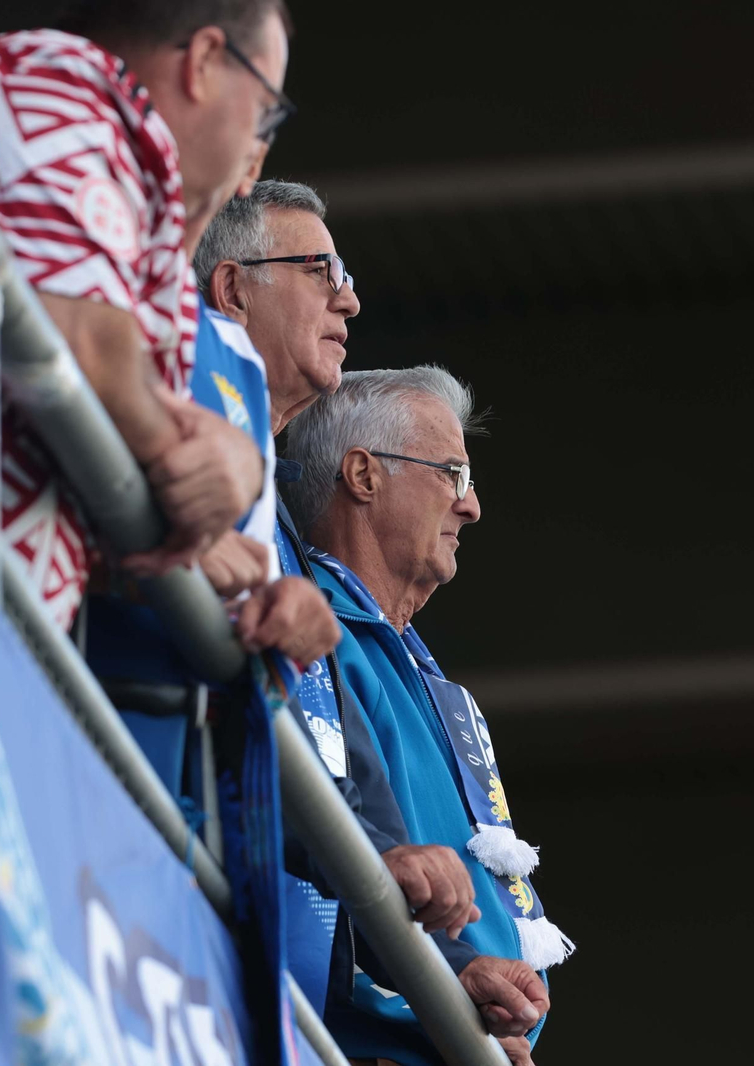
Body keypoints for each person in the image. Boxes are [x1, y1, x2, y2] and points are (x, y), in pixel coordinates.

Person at [0, 0, 294, 630]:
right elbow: (80, 347)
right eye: (267, 106)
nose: (260, 141)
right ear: (205, 62)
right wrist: (210, 456)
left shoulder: (132, 199)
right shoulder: (55, 87)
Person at [193, 185, 485, 1022]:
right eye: (321, 269)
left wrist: (453, 974)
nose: (349, 296)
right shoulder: (178, 418)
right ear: (233, 289)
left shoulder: (280, 540)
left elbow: (345, 780)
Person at [282, 367, 574, 1066]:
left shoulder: (417, 667)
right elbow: (324, 844)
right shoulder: (309, 626)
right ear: (363, 475)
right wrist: (445, 990)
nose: (471, 507)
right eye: (453, 474)